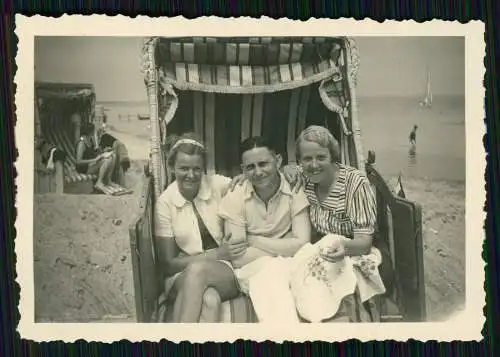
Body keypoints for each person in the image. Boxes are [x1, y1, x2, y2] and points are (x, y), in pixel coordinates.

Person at [288, 125, 386, 322]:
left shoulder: (355, 183)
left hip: (355, 248)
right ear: (300, 161)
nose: (314, 164)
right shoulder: (305, 178)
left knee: (337, 284)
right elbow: (278, 172)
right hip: (324, 248)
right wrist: (286, 168)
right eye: (307, 159)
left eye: (321, 157)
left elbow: (364, 242)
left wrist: (344, 247)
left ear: (332, 157)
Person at [154, 133, 245, 322]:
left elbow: (247, 183)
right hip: (181, 274)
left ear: (204, 169)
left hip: (223, 269)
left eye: (197, 169)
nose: (191, 175)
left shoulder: (216, 184)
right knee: (209, 299)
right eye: (183, 168)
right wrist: (217, 254)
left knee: (201, 277)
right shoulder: (165, 202)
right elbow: (168, 265)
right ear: (172, 167)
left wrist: (245, 176)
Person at [219, 136, 311, 322]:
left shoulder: (294, 189)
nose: (258, 172)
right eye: (250, 167)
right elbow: (238, 258)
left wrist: (253, 240)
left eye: (263, 164)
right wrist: (287, 243)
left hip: (291, 263)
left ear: (278, 161)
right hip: (251, 268)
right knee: (272, 270)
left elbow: (303, 244)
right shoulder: (235, 195)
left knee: (276, 271)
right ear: (242, 169)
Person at [75, 123, 123, 195]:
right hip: (83, 168)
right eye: (93, 131)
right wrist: (95, 160)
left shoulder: (89, 140)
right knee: (107, 160)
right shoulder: (81, 144)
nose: (94, 132)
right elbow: (78, 161)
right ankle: (99, 182)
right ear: (89, 132)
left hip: (90, 165)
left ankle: (108, 180)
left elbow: (93, 154)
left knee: (113, 156)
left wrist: (104, 151)